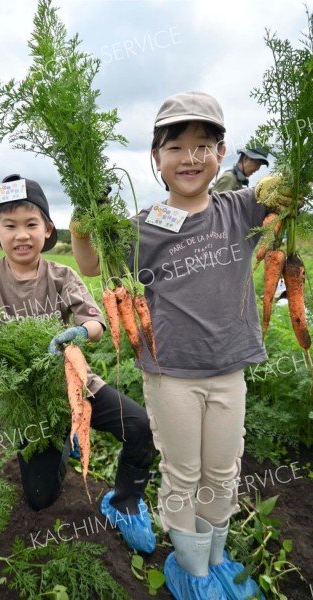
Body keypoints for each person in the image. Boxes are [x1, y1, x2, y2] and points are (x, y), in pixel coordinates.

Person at [69, 92, 294, 599]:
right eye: (175, 147)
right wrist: (82, 227)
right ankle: (190, 571)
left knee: (223, 469)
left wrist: (290, 184)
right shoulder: (146, 224)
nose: (189, 158)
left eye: (203, 145)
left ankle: (216, 559)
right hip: (170, 373)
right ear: (156, 158)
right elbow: (87, 264)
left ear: (221, 154)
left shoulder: (241, 208)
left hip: (229, 370)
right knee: (183, 472)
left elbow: (290, 191)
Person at [0, 173, 156, 554]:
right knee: (40, 498)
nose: (21, 235)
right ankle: (63, 445)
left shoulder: (62, 275)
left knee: (140, 427)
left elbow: (95, 321)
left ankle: (127, 501)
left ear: (47, 229)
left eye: (30, 224)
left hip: (77, 385)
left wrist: (80, 333)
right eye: (10, 226)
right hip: (28, 405)